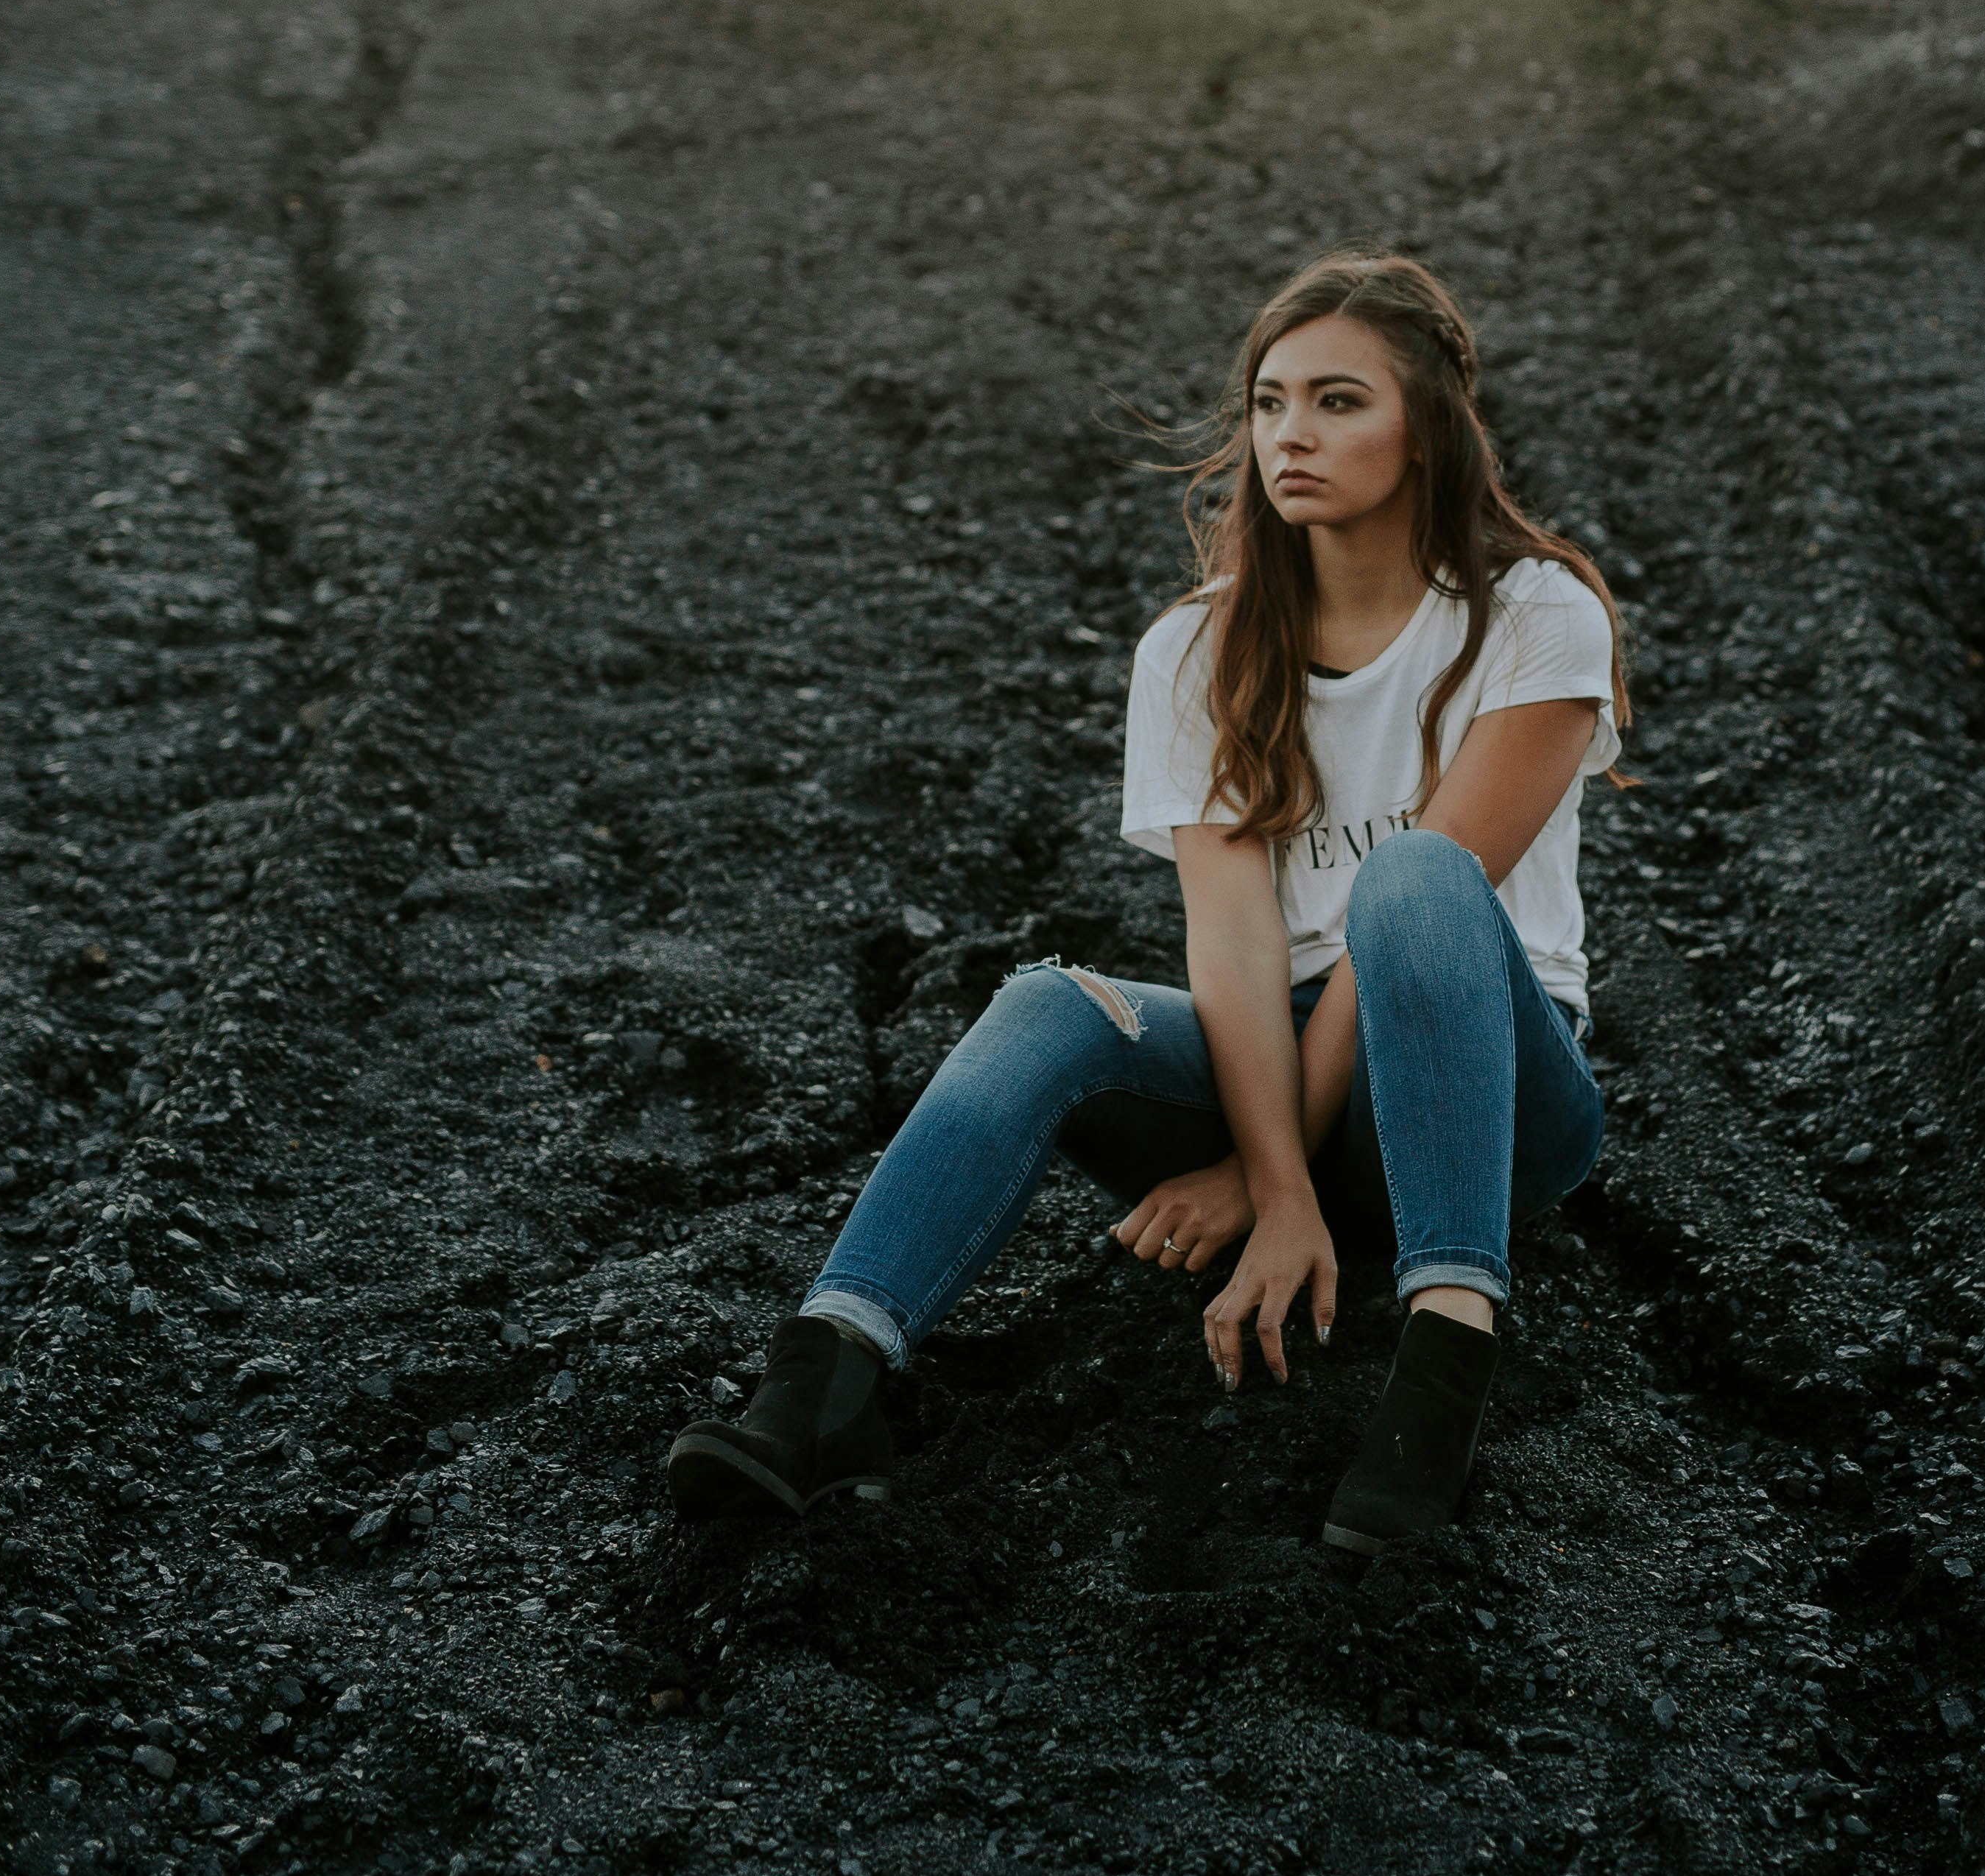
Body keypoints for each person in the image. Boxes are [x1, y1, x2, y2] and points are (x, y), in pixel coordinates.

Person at [666, 250, 1627, 1553]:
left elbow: (1409, 932)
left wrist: (1254, 1166)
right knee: (1046, 1005)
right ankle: (823, 1384)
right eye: (1270, 400)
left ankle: (1436, 1398)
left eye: (1340, 401)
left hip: (1487, 1081)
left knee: (1408, 881)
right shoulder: (1199, 644)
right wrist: (1278, 1183)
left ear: (1428, 432)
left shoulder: (1536, 617)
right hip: (1289, 1064)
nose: (1292, 433)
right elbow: (1231, 937)